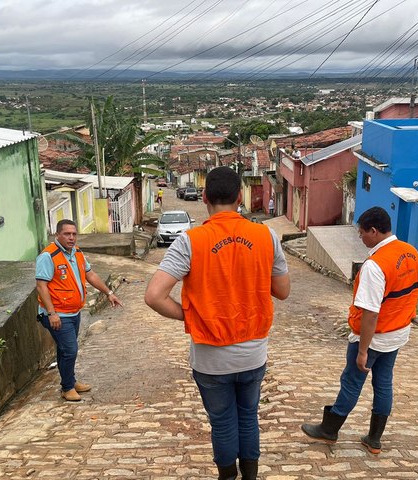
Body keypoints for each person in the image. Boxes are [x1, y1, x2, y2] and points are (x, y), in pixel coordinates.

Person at [144, 166, 291, 480]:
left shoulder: (190, 241)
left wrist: (191, 313)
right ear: (240, 198)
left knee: (223, 422)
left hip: (211, 357)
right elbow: (283, 291)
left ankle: (227, 477)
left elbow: (154, 296)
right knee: (248, 417)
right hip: (253, 352)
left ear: (206, 197)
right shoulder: (266, 235)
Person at [300, 206, 418, 455]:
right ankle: (374, 439)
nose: (360, 237)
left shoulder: (375, 266)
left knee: (352, 382)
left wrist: (363, 350)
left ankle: (329, 429)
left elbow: (370, 313)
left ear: (374, 231)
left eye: (362, 232)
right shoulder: (411, 253)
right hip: (397, 333)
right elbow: (414, 289)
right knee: (384, 383)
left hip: (373, 336)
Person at [36, 219, 123, 402]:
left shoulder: (77, 253)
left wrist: (108, 292)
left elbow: (90, 274)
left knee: (65, 349)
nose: (71, 237)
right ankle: (67, 388)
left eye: (74, 234)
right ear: (57, 235)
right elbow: (41, 286)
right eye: (67, 234)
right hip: (57, 314)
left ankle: (70, 381)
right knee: (70, 350)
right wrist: (52, 313)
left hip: (74, 312)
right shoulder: (48, 256)